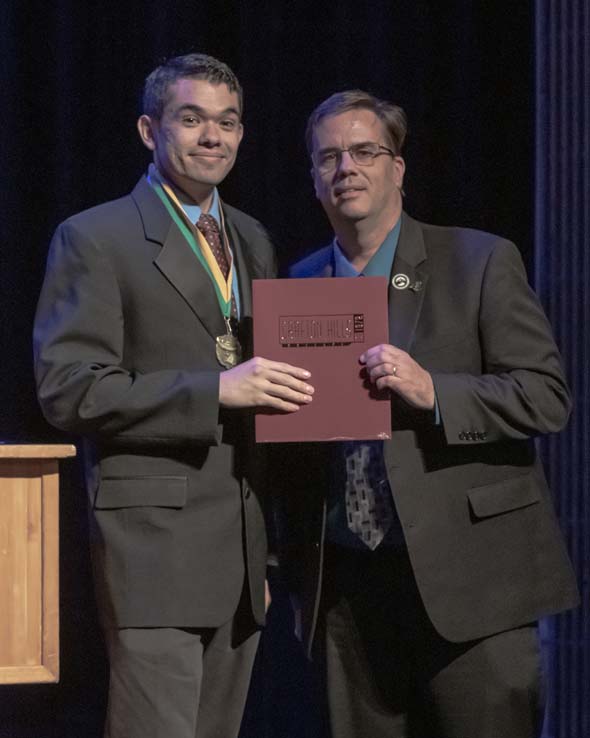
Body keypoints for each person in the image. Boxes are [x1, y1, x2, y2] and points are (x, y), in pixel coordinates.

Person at [277, 90, 579, 738]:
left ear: (398, 168)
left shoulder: (478, 260)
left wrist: (434, 390)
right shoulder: (298, 284)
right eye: (327, 156)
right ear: (311, 176)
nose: (345, 169)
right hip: (349, 594)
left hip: (474, 585)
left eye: (364, 151)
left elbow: (546, 396)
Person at [33, 53, 314, 738]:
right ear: (148, 129)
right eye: (191, 119)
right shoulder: (95, 237)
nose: (212, 137)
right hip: (153, 549)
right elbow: (68, 389)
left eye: (227, 122)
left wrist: (266, 553)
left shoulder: (251, 237)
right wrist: (216, 390)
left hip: (241, 556)